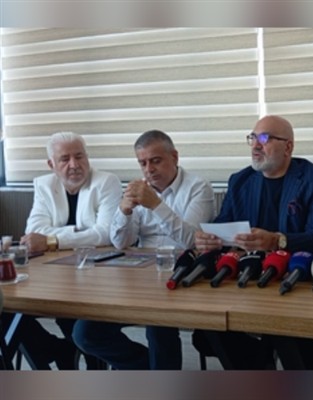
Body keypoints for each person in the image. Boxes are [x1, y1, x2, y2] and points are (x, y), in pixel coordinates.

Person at [193, 115, 313, 369]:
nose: (255, 145)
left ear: (288, 147)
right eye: (252, 138)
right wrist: (209, 238)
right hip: (246, 278)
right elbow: (224, 223)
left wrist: (276, 241)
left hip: (295, 279)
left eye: (264, 138)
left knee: (295, 342)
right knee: (210, 327)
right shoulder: (240, 180)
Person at [72, 129, 216, 370]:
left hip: (180, 272)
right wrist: (124, 211)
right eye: (143, 163)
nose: (149, 169)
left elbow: (192, 241)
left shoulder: (199, 187)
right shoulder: (140, 188)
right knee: (85, 333)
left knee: (159, 325)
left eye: (156, 161)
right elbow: (121, 243)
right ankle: (148, 369)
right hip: (139, 275)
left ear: (174, 157)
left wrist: (156, 205)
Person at [11, 132, 122, 369]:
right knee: (10, 311)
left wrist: (52, 240)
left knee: (75, 321)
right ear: (51, 164)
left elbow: (105, 234)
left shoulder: (106, 182)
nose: (74, 164)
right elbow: (33, 231)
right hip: (52, 274)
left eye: (79, 156)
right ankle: (58, 349)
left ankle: (81, 358)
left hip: (97, 274)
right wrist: (82, 231)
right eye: (65, 159)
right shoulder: (44, 184)